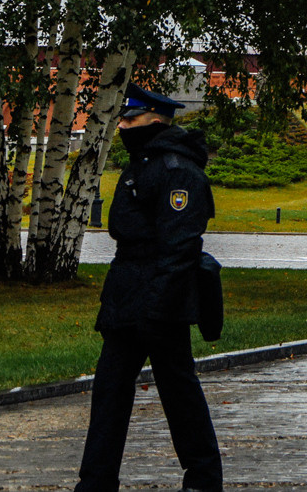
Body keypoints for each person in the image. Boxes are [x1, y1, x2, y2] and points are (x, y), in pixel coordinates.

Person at [75, 84, 221, 492]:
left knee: (178, 392)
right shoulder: (143, 161)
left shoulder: (177, 169)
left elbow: (179, 247)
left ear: (155, 119)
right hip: (127, 296)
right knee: (108, 394)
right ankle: (95, 483)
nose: (122, 126)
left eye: (130, 119)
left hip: (162, 300)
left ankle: (204, 480)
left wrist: (156, 307)